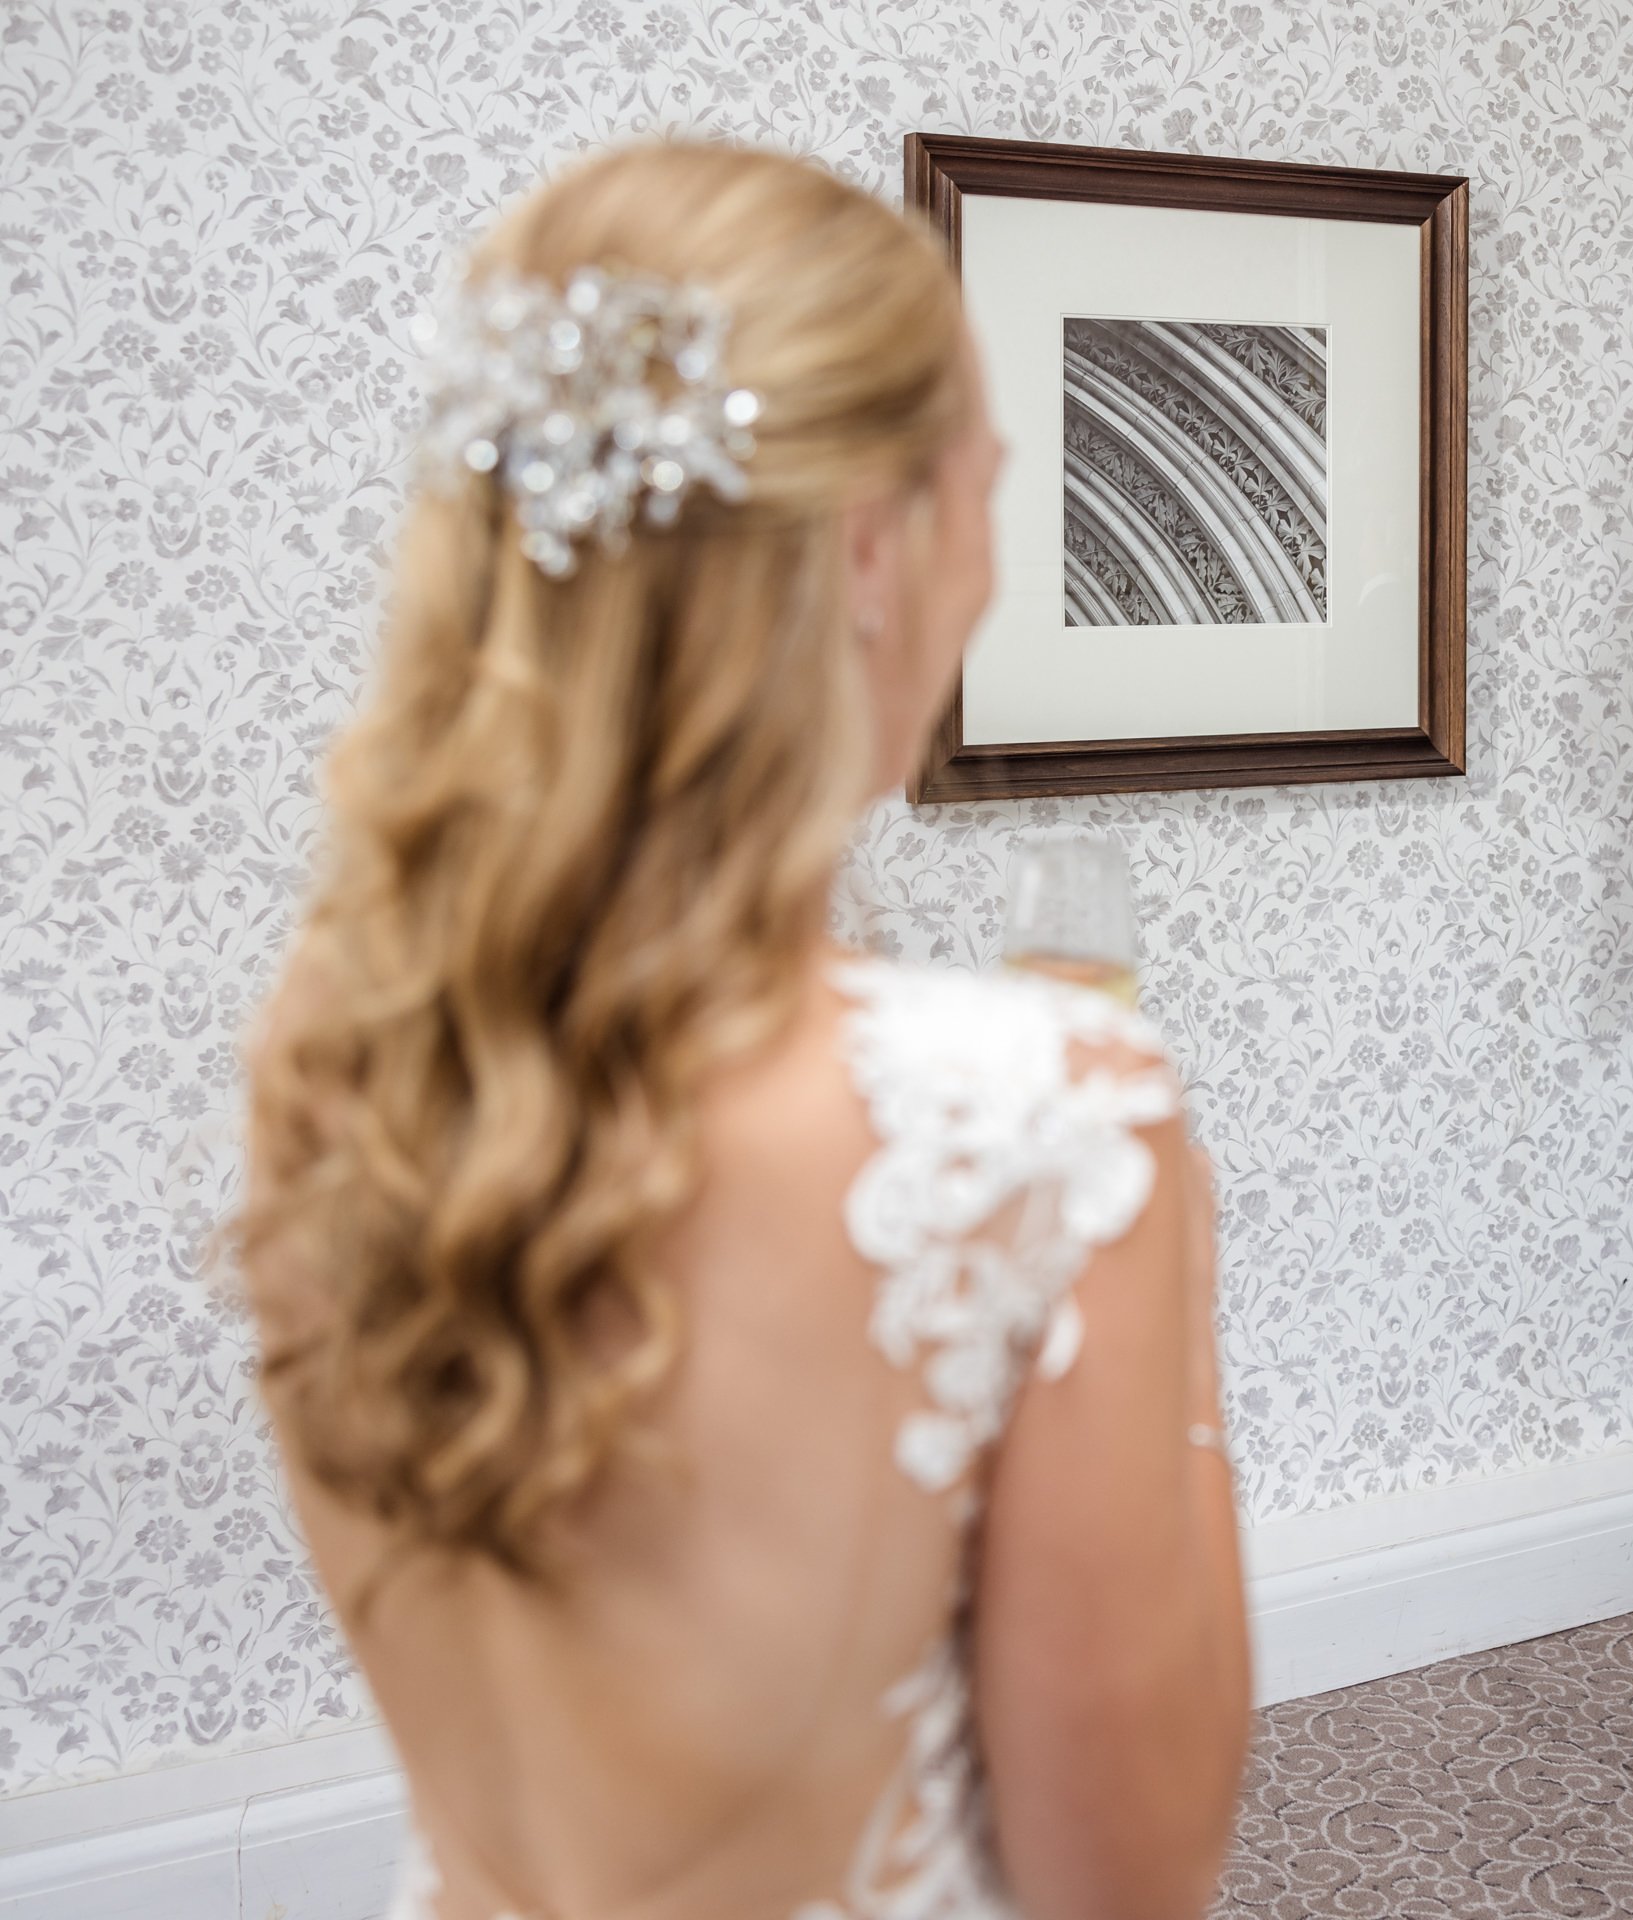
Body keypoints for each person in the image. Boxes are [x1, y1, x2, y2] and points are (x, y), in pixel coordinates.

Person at [236, 140, 1250, 1920]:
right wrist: (1164, 1316)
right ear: (873, 547)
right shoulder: (1049, 1115)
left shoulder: (348, 1055)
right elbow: (1130, 1870)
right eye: (990, 491)